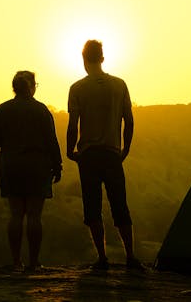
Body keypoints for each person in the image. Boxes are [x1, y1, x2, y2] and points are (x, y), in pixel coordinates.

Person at [67, 40, 144, 270]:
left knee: (93, 206)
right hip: (112, 153)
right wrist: (126, 149)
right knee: (120, 204)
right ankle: (130, 256)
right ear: (102, 58)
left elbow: (73, 124)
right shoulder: (119, 85)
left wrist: (70, 150)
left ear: (84, 59)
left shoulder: (77, 88)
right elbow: (129, 121)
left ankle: (102, 258)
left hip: (88, 154)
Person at [0, 70, 62, 272]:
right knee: (34, 216)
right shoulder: (41, 110)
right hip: (37, 167)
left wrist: (11, 144)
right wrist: (58, 165)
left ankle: (15, 261)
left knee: (15, 215)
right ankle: (33, 262)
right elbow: (51, 140)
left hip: (11, 165)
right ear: (31, 87)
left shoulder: (3, 110)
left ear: (14, 87)